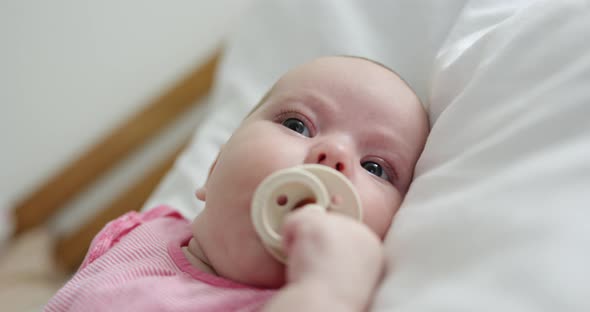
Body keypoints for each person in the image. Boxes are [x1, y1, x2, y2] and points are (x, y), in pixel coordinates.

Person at [45, 56, 429, 312]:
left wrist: (332, 288)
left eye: (376, 167)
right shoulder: (145, 230)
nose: (335, 155)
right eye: (298, 125)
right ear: (213, 170)